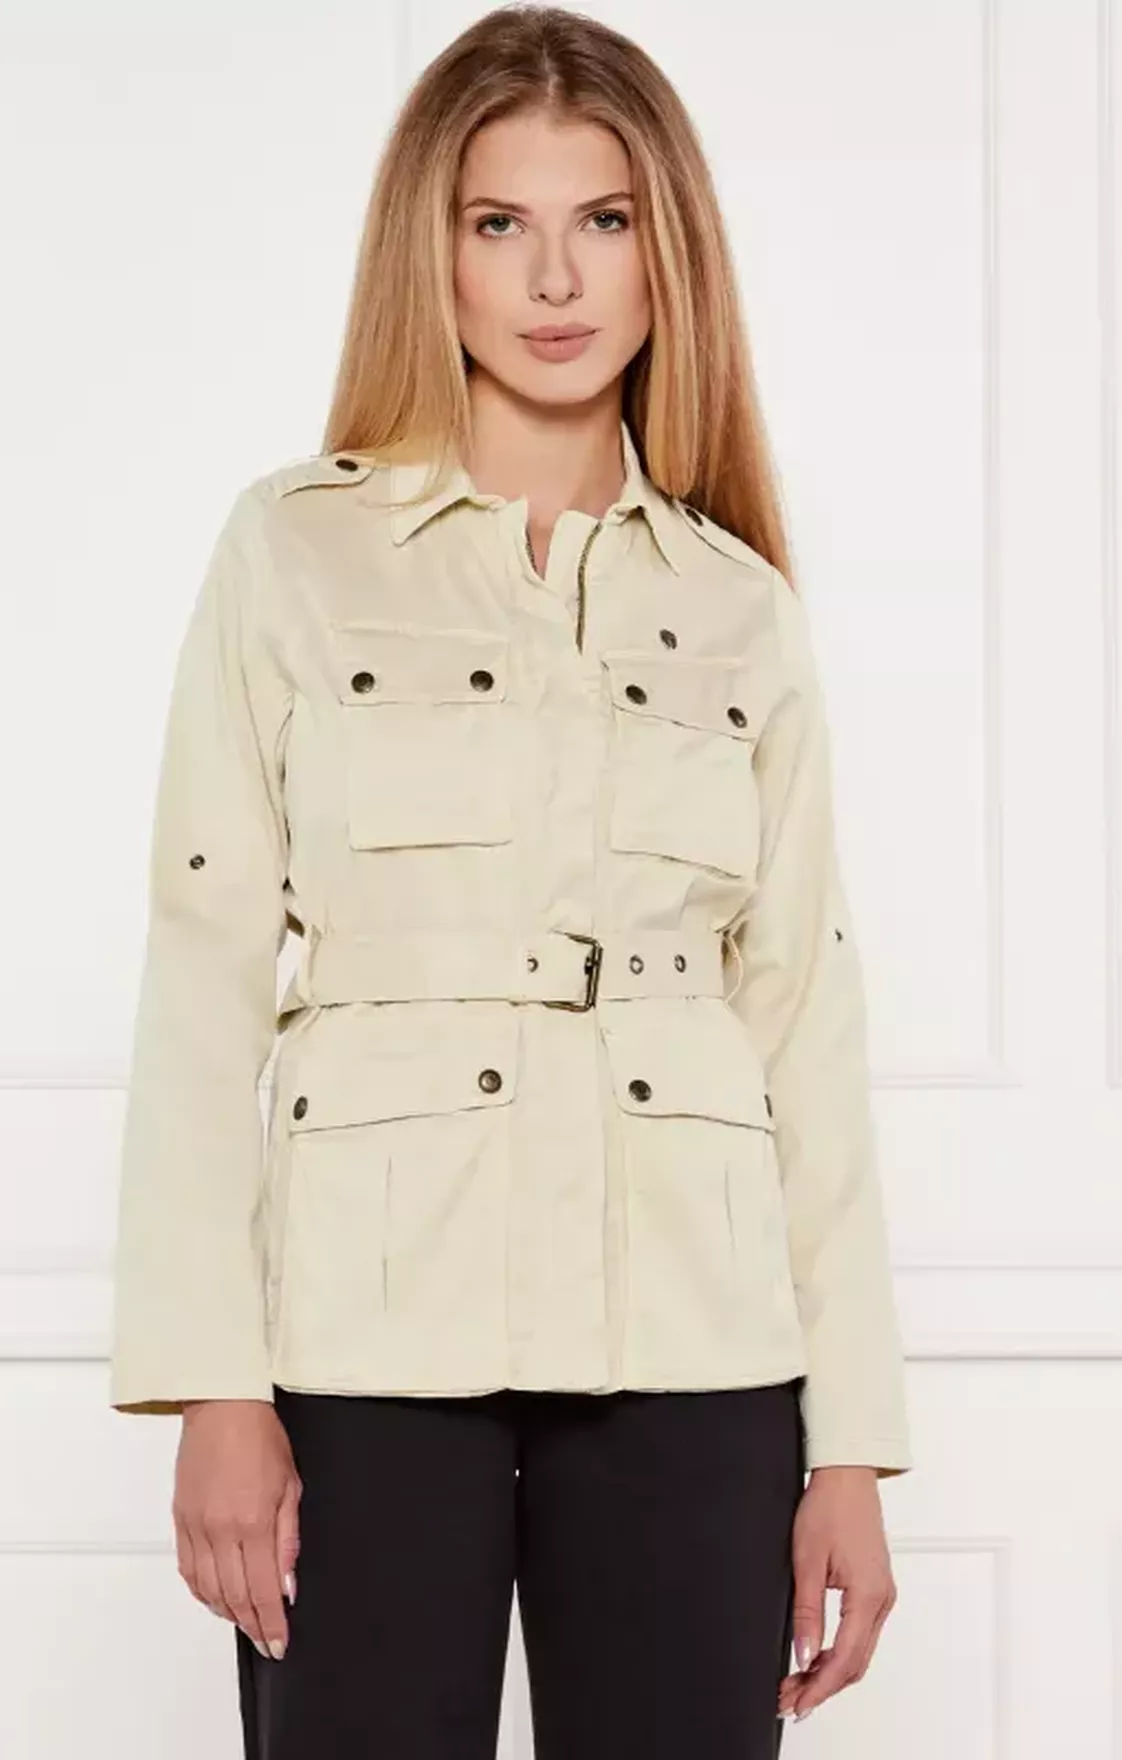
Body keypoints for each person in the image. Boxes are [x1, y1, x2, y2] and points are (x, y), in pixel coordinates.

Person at [107, 7, 912, 1754]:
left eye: (604, 220)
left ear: (666, 253)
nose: (556, 278)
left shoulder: (739, 607)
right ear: (437, 253)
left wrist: (850, 1445)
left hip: (700, 1356)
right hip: (365, 1344)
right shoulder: (293, 553)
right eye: (500, 223)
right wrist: (212, 1387)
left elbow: (805, 1022)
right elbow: (204, 974)